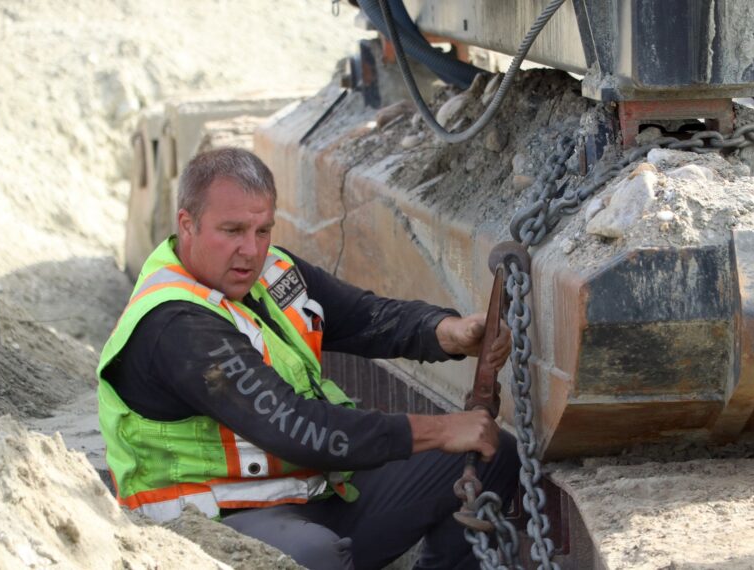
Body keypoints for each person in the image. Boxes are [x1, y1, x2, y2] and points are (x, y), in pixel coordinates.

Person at [97, 147, 520, 569]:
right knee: (314, 556)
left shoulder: (271, 272)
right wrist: (441, 430)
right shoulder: (176, 324)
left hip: (301, 493)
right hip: (207, 524)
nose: (251, 249)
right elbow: (294, 427)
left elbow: (363, 316)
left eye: (263, 230)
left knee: (492, 452)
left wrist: (447, 331)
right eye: (232, 231)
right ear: (187, 225)